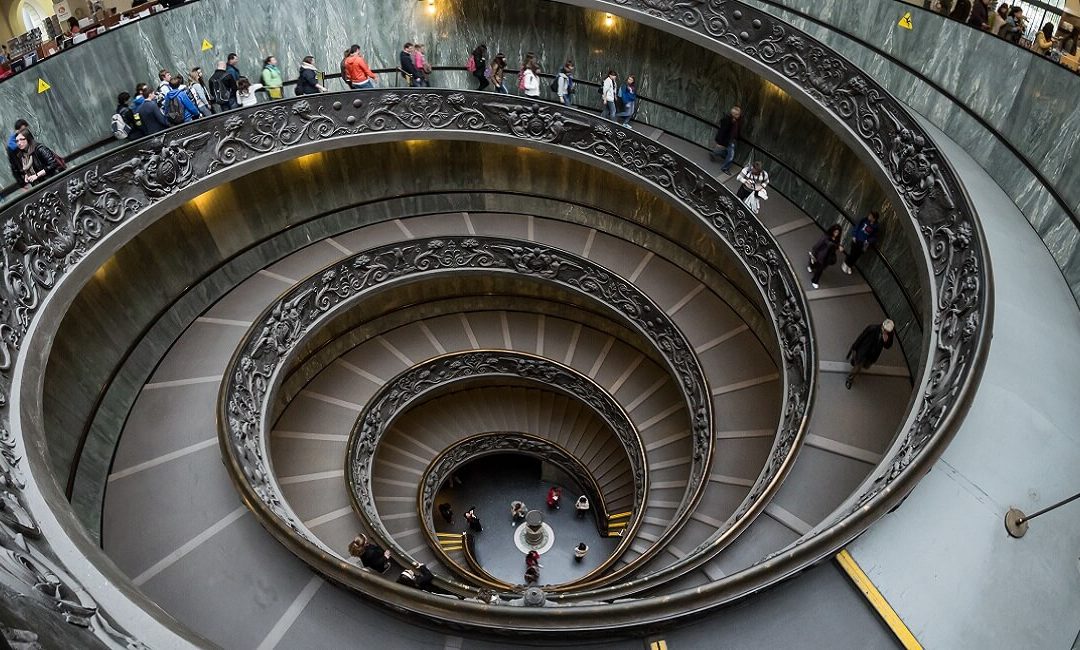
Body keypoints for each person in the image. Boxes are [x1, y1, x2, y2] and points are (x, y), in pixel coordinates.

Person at [846, 319, 895, 389]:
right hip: (864, 350)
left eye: (888, 331)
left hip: (873, 355)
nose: (886, 331)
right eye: (885, 330)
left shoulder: (890, 334)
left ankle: (854, 361)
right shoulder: (872, 328)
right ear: (882, 326)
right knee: (858, 366)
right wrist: (854, 347)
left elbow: (888, 346)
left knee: (866, 366)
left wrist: (886, 341)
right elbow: (861, 337)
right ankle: (850, 379)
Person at [808, 224, 843, 290]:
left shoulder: (836, 239)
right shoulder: (826, 237)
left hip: (828, 257)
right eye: (835, 232)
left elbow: (834, 245)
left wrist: (838, 246)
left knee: (820, 267)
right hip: (822, 255)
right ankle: (814, 281)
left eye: (838, 233)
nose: (836, 234)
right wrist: (814, 252)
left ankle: (811, 266)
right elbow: (820, 245)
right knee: (820, 269)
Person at [709, 105, 742, 174]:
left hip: (732, 140)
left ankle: (714, 153)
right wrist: (720, 142)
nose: (739, 115)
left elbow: (737, 130)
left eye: (739, 114)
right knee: (731, 155)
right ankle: (725, 168)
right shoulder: (727, 121)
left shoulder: (737, 121)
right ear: (734, 114)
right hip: (728, 140)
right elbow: (722, 132)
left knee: (727, 153)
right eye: (737, 114)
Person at [6, 119, 28, 185]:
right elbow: (14, 166)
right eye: (22, 130)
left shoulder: (27, 138)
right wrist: (22, 183)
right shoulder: (12, 146)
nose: (25, 132)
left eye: (26, 130)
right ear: (17, 131)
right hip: (25, 175)